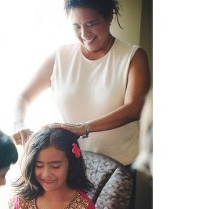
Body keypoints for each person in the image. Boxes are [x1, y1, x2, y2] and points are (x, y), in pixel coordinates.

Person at [12, 0, 150, 167]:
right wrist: (18, 123)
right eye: (76, 26)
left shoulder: (133, 56)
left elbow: (135, 108)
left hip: (118, 166)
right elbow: (23, 96)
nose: (84, 33)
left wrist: (84, 128)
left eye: (91, 24)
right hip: (69, 164)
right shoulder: (60, 56)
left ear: (109, 17)